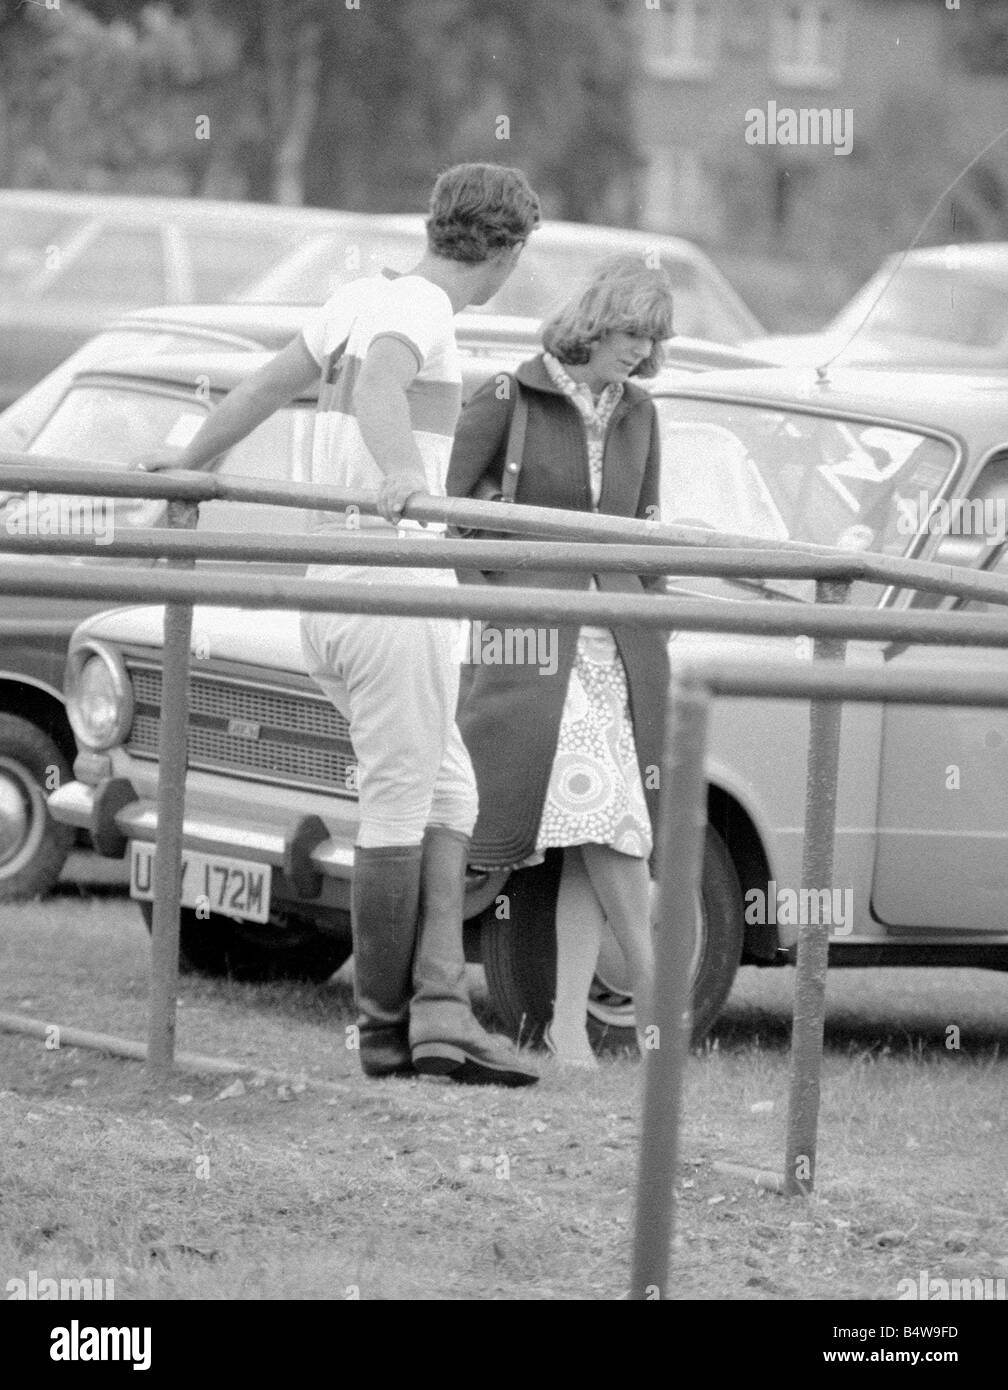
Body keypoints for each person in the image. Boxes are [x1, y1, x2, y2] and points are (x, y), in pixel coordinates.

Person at [140, 163, 542, 1086]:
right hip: (386, 586)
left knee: (451, 794)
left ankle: (441, 1008)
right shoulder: (428, 313)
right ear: (510, 253)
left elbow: (259, 390)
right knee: (405, 802)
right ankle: (383, 1030)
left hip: (338, 585)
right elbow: (380, 390)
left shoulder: (358, 296)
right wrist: (404, 475)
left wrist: (185, 461)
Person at [446, 254, 674, 1067]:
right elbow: (452, 516)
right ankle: (657, 997)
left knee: (598, 827)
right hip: (534, 641)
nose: (642, 353)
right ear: (596, 323)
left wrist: (653, 618)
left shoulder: (640, 410)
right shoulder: (507, 395)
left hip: (615, 640)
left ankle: (569, 1030)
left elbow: (648, 530)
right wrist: (490, 607)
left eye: (653, 340)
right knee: (606, 808)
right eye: (632, 335)